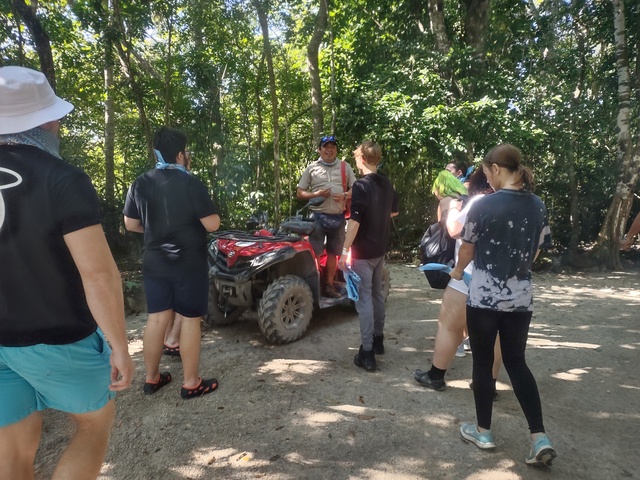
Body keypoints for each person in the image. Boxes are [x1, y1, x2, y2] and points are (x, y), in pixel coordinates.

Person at [0, 66, 134, 478]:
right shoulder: (61, 178)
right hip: (57, 335)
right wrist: (119, 346)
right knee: (94, 423)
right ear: (45, 122)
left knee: (14, 444)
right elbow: (98, 275)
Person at [450, 144, 556, 467]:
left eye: (486, 173)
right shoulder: (537, 206)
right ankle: (539, 436)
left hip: (483, 298)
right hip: (520, 298)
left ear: (496, 169)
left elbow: (467, 251)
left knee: (482, 362)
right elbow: (538, 250)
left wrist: (455, 272)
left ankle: (483, 432)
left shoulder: (484, 206)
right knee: (516, 361)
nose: (487, 179)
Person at [123, 126, 221, 399]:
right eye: (186, 152)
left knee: (156, 319)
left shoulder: (140, 182)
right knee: (190, 319)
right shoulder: (191, 183)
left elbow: (130, 224)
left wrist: (154, 231)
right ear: (180, 155)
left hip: (155, 260)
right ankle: (191, 383)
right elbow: (212, 224)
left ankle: (152, 378)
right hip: (188, 261)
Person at [414, 169, 502, 393]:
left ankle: (436, 375)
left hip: (469, 274)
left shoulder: (481, 201)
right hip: (504, 282)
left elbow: (455, 230)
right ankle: (487, 386)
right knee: (495, 335)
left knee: (449, 326)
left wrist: (453, 208)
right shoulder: (529, 204)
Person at [338, 141, 399, 371]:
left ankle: (367, 353)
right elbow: (394, 211)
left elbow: (354, 223)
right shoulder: (386, 183)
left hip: (363, 252)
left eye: (356, 157)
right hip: (379, 249)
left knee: (363, 300)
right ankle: (378, 340)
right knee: (376, 295)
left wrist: (345, 252)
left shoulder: (362, 186)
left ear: (361, 159)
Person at [297, 135, 356, 298]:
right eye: (326, 147)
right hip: (317, 216)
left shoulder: (345, 167)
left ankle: (329, 285)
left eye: (332, 147)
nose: (329, 150)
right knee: (314, 252)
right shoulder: (311, 168)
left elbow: (356, 189)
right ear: (319, 150)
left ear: (336, 150)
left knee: (333, 252)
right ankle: (314, 285)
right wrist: (315, 194)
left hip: (337, 216)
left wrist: (345, 195)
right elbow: (300, 192)